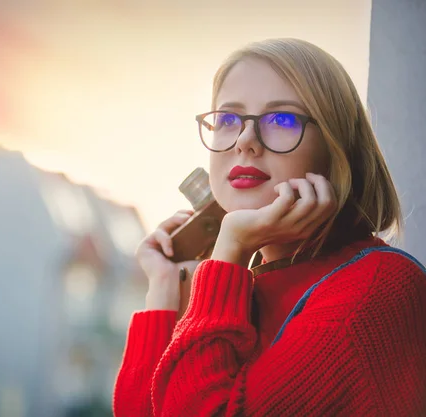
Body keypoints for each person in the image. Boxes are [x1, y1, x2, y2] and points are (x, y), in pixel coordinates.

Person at [113, 38, 426, 417]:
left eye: (282, 119)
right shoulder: (248, 292)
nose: (244, 141)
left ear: (335, 148)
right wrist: (163, 289)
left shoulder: (376, 289)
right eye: (228, 119)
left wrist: (230, 249)